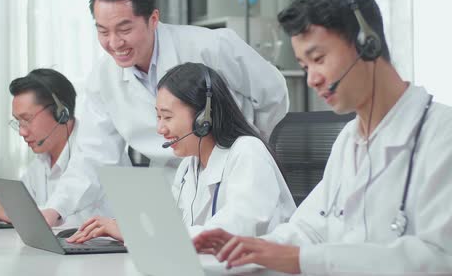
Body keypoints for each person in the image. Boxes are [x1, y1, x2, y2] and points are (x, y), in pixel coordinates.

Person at [192, 0, 452, 275]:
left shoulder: (450, 136)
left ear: (367, 44)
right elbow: (307, 231)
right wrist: (244, 250)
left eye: (318, 59)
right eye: (305, 66)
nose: (312, 80)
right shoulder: (349, 141)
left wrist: (301, 260)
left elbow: (445, 261)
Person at [39, 0, 289, 226]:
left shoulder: (209, 46)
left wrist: (244, 145)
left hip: (233, 173)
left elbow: (273, 91)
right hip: (176, 183)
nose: (114, 43)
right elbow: (94, 154)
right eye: (103, 31)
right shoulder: (103, 77)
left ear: (153, 18)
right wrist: (55, 209)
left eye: (124, 29)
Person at [66, 63, 296, 244]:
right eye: (158, 116)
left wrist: (139, 234)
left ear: (203, 117)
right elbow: (171, 229)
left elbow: (237, 229)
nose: (160, 129)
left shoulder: (247, 152)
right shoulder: (189, 166)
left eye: (167, 117)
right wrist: (129, 228)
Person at [0, 69, 95, 227]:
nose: (21, 132)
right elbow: (26, 206)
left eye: (26, 120)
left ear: (61, 113)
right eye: (18, 122)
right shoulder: (41, 162)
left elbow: (73, 223)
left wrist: (15, 214)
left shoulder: (94, 152)